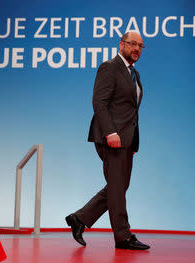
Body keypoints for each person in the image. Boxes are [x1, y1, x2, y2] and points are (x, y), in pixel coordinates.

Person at [65, 32, 150, 250]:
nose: (137, 48)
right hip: (111, 137)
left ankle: (79, 218)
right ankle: (123, 236)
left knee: (118, 186)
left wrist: (132, 142)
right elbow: (99, 103)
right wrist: (110, 132)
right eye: (133, 44)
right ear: (121, 44)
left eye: (141, 46)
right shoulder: (109, 67)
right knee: (117, 186)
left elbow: (130, 110)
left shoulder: (135, 74)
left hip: (127, 140)